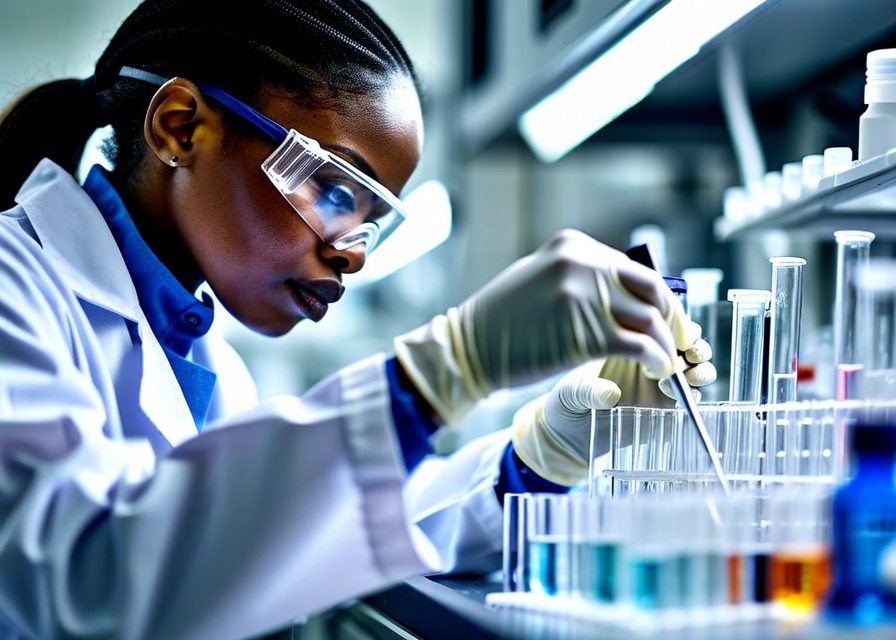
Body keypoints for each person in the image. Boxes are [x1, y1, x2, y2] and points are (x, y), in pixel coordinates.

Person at [0, 1, 715, 638]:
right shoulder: (13, 284)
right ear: (180, 128)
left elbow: (310, 526)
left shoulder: (206, 360)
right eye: (336, 191)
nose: (352, 255)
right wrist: (441, 371)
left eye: (373, 221)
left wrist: (542, 456)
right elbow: (76, 583)